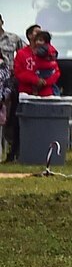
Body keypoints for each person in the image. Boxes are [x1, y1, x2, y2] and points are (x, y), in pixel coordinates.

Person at [13, 29, 61, 97]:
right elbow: (18, 72)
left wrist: (46, 82)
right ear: (30, 35)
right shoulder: (21, 53)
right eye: (37, 32)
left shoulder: (48, 53)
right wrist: (35, 80)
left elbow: (56, 72)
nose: (39, 33)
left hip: (46, 92)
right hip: (26, 92)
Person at [0, 15, 17, 161]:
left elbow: (27, 52)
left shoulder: (12, 38)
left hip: (7, 81)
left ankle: (9, 150)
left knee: (7, 118)